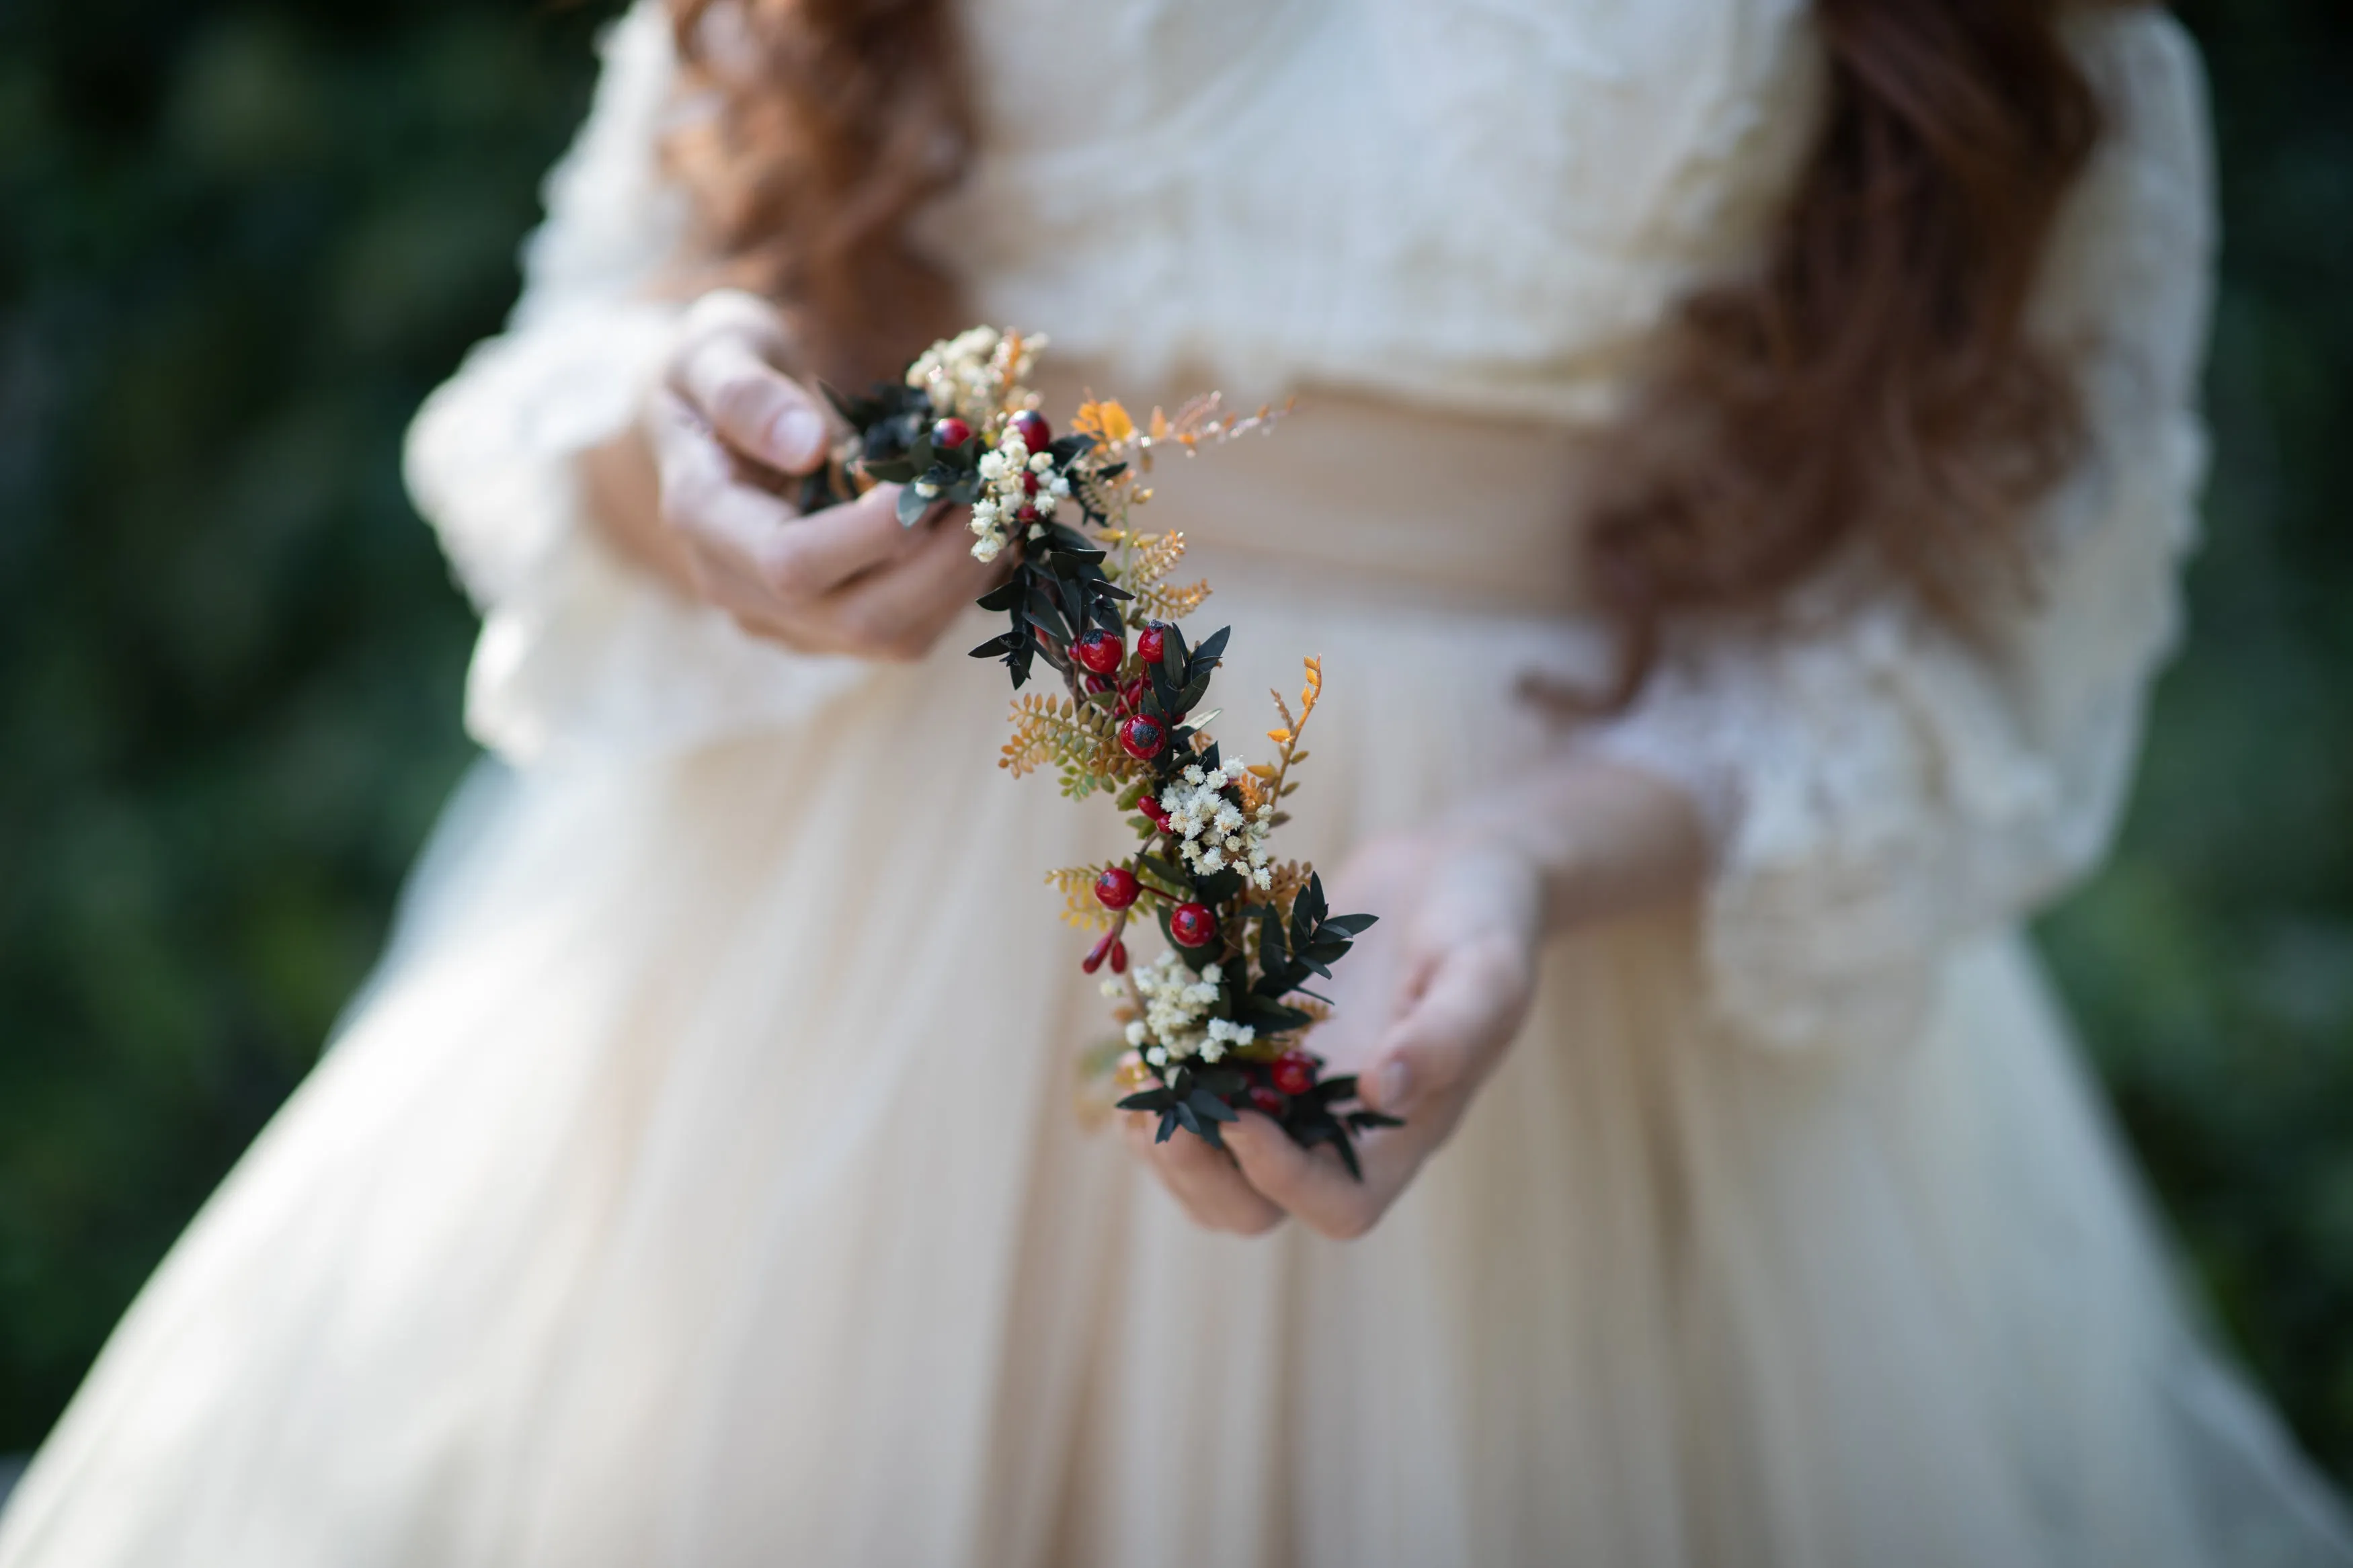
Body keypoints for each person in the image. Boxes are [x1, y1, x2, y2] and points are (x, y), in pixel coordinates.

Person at [3, 0, 2347, 1563]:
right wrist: (692, 461)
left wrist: (1519, 860)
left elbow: (1953, 643)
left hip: (1567, 974)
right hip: (835, 969)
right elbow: (626, 317)